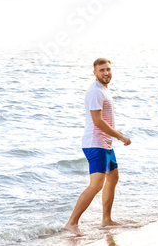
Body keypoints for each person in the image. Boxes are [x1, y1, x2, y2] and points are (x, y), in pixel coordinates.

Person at [64, 58, 131, 236]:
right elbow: (98, 121)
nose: (106, 73)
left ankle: (106, 220)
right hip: (95, 144)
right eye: (102, 70)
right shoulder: (95, 92)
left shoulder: (104, 90)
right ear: (95, 73)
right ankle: (72, 223)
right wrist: (120, 136)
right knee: (96, 185)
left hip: (105, 144)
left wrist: (113, 137)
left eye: (108, 69)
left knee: (113, 178)